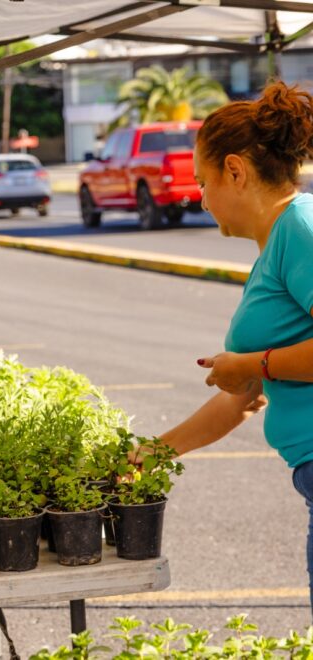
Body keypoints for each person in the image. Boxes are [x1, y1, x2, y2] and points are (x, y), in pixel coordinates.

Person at [157, 81, 313, 611]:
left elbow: (253, 373)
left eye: (203, 182)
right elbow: (243, 395)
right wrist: (154, 454)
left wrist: (252, 362)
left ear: (235, 171)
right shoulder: (277, 243)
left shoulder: (300, 228)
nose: (200, 198)